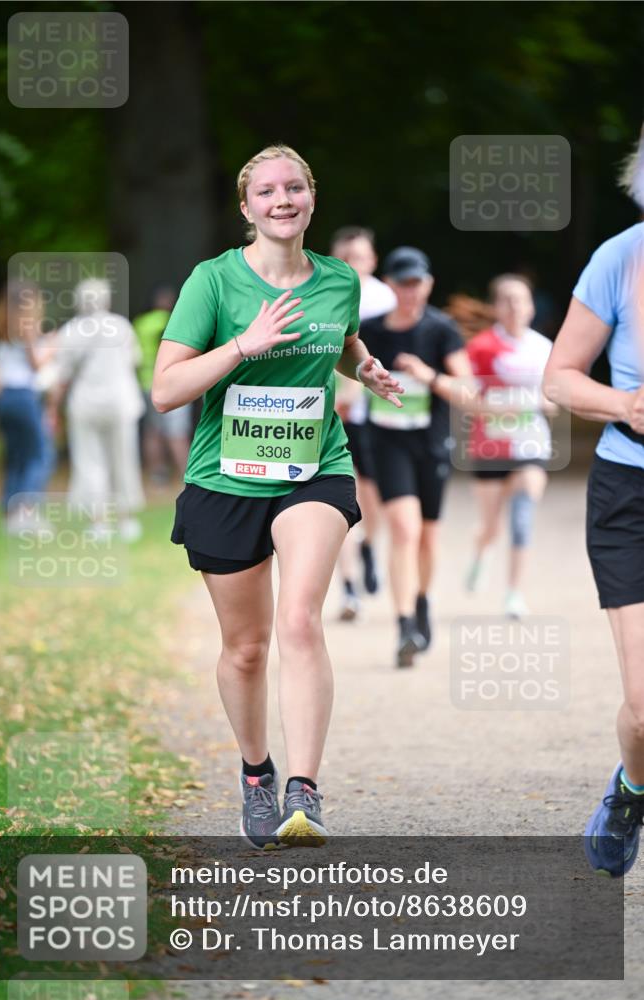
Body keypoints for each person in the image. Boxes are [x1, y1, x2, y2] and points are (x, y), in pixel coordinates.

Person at [152, 144, 403, 848]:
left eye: (294, 188)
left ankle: (304, 789)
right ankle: (257, 773)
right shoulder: (213, 281)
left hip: (312, 467)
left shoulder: (339, 280)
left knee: (298, 619)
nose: (282, 200)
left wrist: (364, 368)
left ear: (311, 198)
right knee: (245, 649)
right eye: (266, 191)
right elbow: (165, 390)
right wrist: (244, 345)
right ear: (247, 207)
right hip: (225, 477)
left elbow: (341, 340)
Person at [543, 137, 644, 878]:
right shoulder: (619, 257)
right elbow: (559, 377)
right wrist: (626, 404)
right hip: (628, 490)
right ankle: (632, 788)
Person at [360, 246, 471, 666]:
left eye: (417, 283)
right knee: (403, 530)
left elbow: (469, 391)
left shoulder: (441, 329)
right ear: (389, 285)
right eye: (403, 283)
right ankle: (404, 624)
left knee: (427, 535)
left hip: (431, 443)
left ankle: (422, 600)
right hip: (387, 441)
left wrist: (430, 375)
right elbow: (350, 376)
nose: (410, 291)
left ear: (428, 284)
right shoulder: (371, 331)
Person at [462, 275, 556, 618]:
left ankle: (514, 593)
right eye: (508, 300)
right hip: (490, 446)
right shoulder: (481, 347)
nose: (516, 307)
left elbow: (556, 396)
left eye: (522, 299)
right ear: (496, 307)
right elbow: (466, 397)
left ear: (532, 306)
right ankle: (481, 551)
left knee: (522, 515)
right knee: (492, 526)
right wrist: (496, 407)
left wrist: (543, 403)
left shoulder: (544, 348)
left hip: (531, 445)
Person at [330, 227, 396, 619]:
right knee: (342, 496)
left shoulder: (385, 300)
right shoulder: (326, 295)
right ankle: (349, 587)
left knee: (373, 499)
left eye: (360, 257)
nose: (353, 264)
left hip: (376, 415)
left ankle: (370, 546)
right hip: (336, 413)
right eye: (345, 258)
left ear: (372, 260)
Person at [48, 278, 146, 542]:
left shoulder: (71, 331)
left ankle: (99, 522)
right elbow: (134, 360)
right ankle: (126, 519)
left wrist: (52, 408)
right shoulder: (121, 326)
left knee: (90, 462)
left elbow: (61, 375)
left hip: (85, 403)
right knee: (124, 458)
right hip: (120, 401)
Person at [0, 281, 56, 533]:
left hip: (4, 400)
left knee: (15, 456)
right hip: (24, 397)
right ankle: (26, 511)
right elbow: (37, 364)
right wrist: (52, 345)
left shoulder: (2, 337)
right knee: (40, 454)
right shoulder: (28, 327)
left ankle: (9, 511)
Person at [133, 287, 192, 484]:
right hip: (172, 382)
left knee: (153, 431)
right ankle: (187, 476)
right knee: (177, 433)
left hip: (147, 383)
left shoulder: (141, 323)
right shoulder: (172, 321)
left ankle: (157, 475)